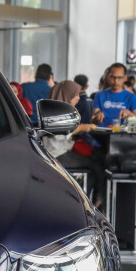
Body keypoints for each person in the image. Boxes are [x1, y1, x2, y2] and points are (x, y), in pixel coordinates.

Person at [43, 80, 104, 208]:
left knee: (95, 159)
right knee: (95, 164)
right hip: (57, 154)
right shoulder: (58, 112)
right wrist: (83, 127)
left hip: (58, 151)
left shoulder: (53, 110)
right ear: (67, 95)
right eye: (76, 95)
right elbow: (64, 130)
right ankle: (86, 203)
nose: (78, 98)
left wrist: (91, 124)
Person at [92, 63, 136, 128]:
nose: (116, 81)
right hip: (102, 134)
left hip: (122, 135)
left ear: (125, 78)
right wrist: (97, 117)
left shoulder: (131, 97)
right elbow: (93, 120)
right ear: (109, 77)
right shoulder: (100, 95)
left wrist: (129, 114)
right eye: (113, 77)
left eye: (119, 78)